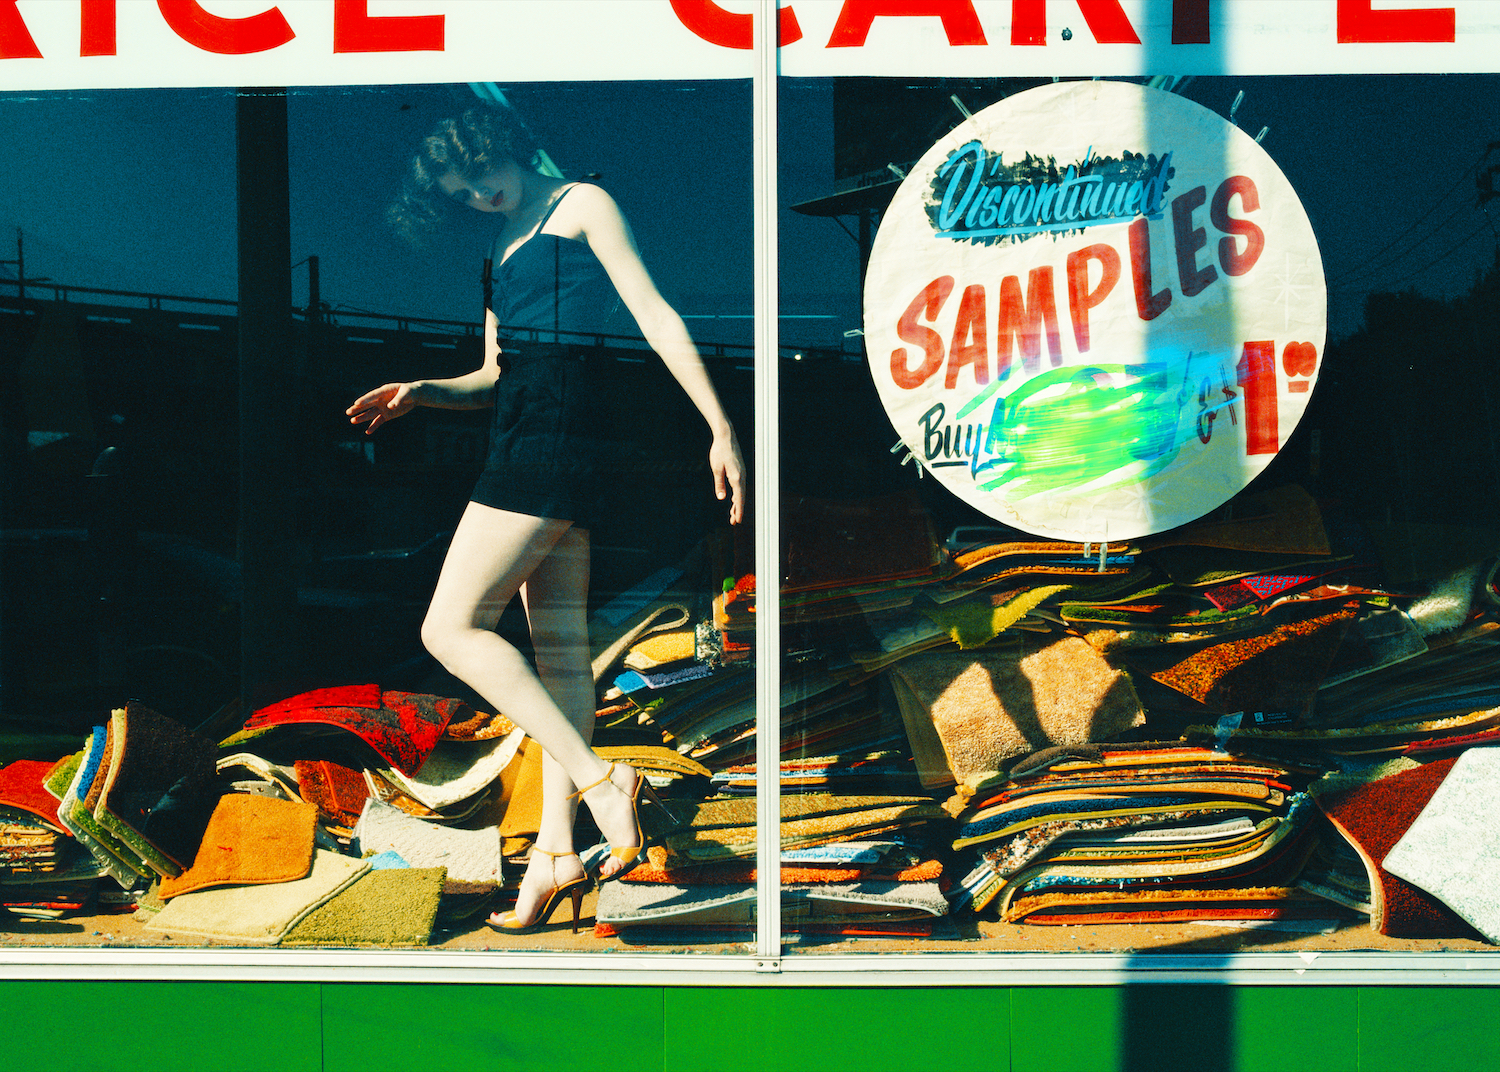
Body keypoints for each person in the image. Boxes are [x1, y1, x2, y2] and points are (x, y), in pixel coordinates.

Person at [348, 109, 745, 934]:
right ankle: (557, 854)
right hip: (526, 431)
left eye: (481, 175)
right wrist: (423, 391)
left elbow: (655, 313)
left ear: (499, 148)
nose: (481, 196)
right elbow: (494, 373)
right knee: (560, 656)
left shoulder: (582, 204)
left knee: (448, 628)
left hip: (554, 446)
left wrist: (720, 425)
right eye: (463, 194)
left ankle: (601, 781)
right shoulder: (499, 251)